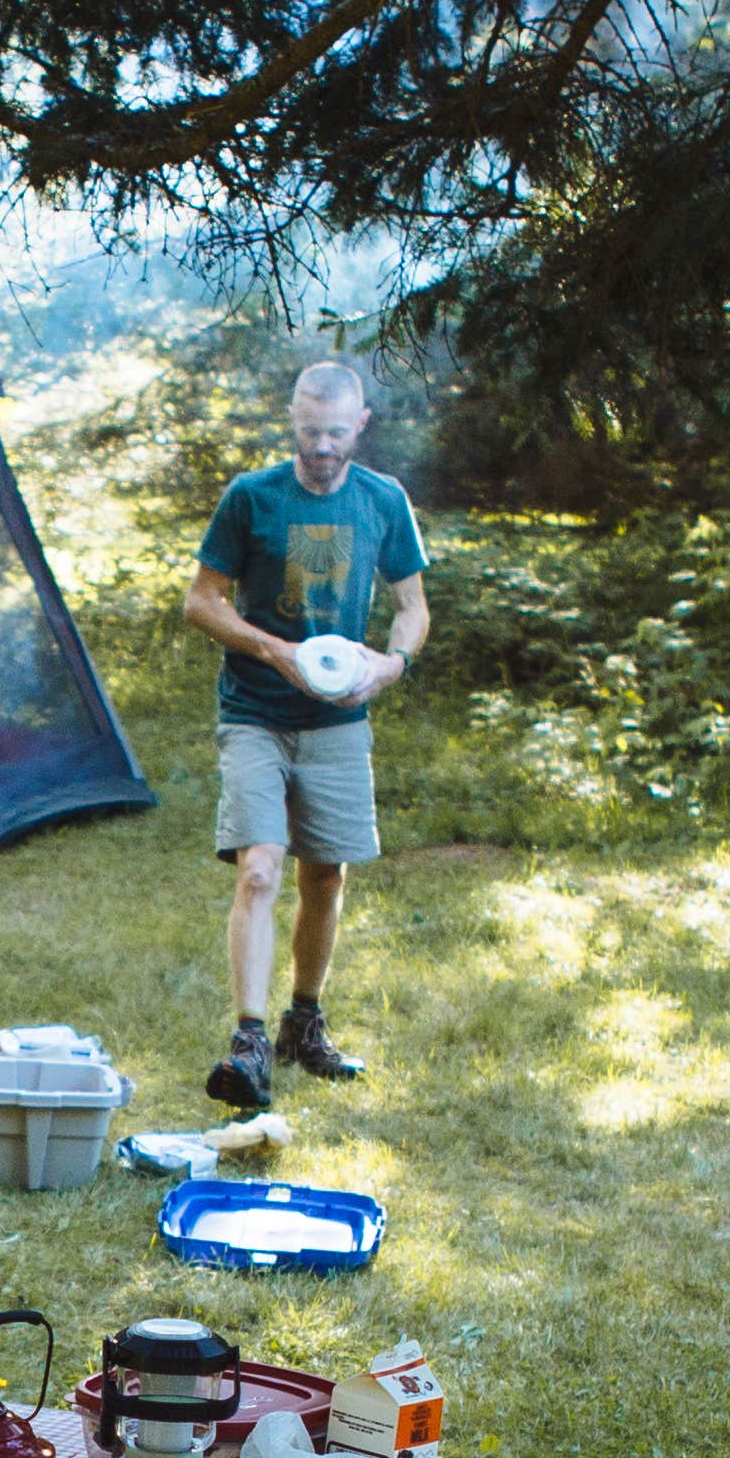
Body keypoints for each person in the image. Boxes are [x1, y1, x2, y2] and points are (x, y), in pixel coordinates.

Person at [181, 359, 431, 1113]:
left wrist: (390, 665)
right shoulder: (252, 497)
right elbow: (202, 602)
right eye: (310, 431)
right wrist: (275, 651)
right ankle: (249, 1042)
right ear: (292, 419)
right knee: (260, 870)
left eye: (336, 433)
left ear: (361, 426)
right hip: (255, 712)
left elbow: (412, 607)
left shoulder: (383, 500)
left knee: (325, 876)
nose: (322, 447)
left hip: (338, 721)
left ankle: (304, 1023)